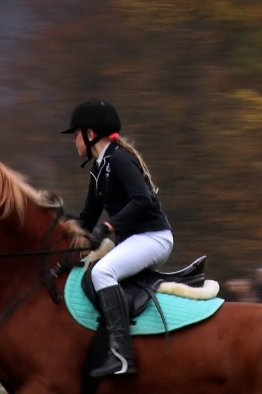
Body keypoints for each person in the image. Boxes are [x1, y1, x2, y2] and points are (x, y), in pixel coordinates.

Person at [61, 99, 173, 377]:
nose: (74, 141)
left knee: (102, 273)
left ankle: (123, 356)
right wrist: (55, 224)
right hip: (136, 239)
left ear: (90, 135)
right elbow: (86, 220)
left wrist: (109, 226)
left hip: (154, 237)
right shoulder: (99, 169)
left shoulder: (119, 159)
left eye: (75, 134)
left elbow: (143, 201)